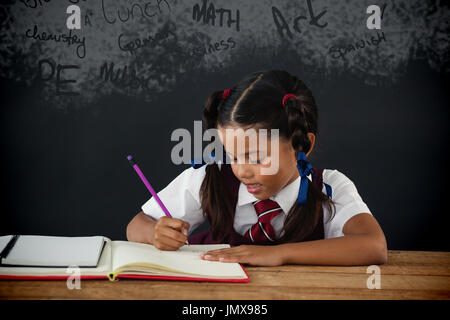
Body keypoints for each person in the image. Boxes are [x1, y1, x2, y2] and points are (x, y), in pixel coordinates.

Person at [126, 70, 387, 266]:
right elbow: (136, 225)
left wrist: (278, 254)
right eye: (233, 155)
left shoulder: (329, 187)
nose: (242, 171)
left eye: (258, 158)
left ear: (302, 145)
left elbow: (374, 246)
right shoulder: (210, 177)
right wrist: (154, 233)